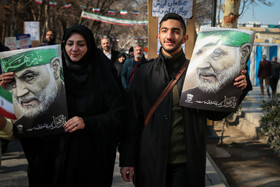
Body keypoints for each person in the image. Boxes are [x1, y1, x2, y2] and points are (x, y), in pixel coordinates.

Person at [119, 13, 248, 187]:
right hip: (150, 161)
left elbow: (213, 113)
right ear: (159, 36)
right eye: (164, 31)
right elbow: (132, 120)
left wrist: (237, 89)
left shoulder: (198, 73)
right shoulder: (144, 73)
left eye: (175, 31)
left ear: (185, 37)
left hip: (186, 164)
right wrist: (127, 159)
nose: (169, 36)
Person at [54, 25, 124, 186]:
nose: (74, 49)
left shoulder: (104, 73)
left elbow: (118, 117)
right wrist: (9, 87)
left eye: (81, 44)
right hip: (57, 158)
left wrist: (87, 122)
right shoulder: (53, 72)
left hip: (93, 159)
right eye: (69, 43)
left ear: (90, 46)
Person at [180, 28, 253, 111]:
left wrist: (239, 90)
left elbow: (214, 116)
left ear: (243, 54)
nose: (202, 65)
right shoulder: (189, 94)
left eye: (217, 53)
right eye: (199, 53)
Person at [0, 47, 67, 137]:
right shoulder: (23, 123)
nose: (20, 93)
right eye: (13, 82)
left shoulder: (75, 99)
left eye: (29, 77)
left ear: (55, 68)